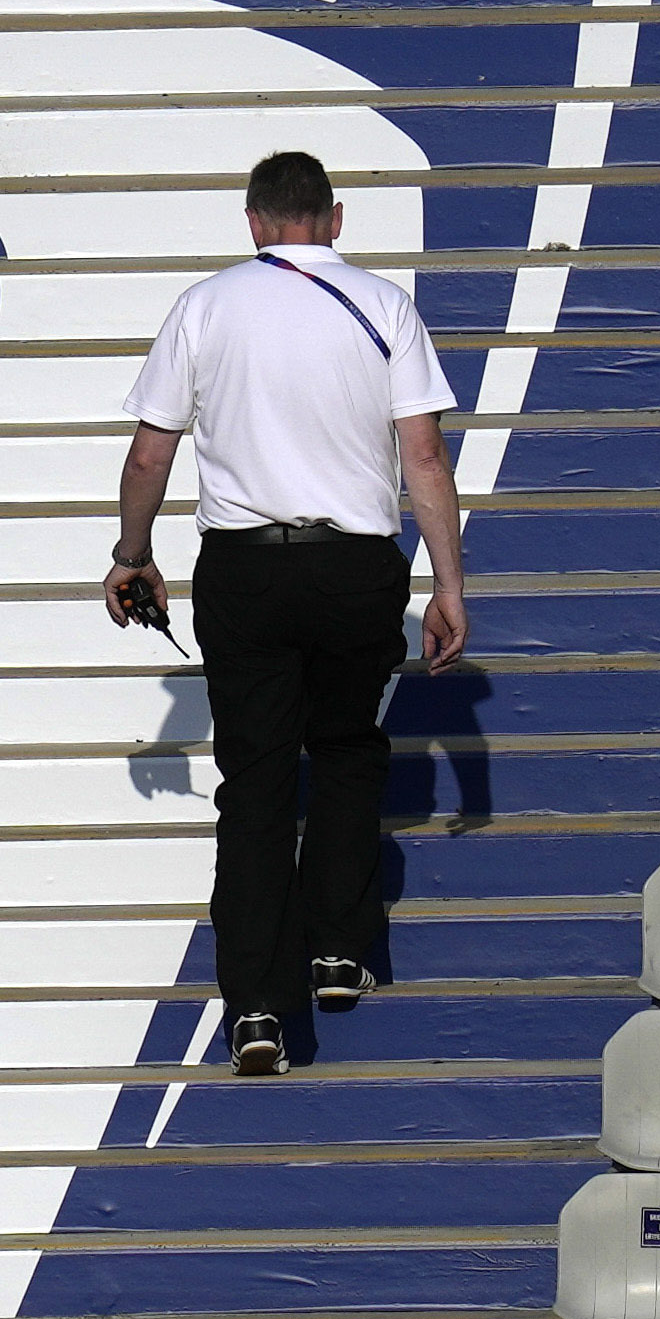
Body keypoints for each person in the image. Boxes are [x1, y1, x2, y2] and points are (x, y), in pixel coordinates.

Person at [102, 148, 469, 1074]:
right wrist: (449, 585)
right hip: (354, 567)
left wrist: (131, 555)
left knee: (255, 789)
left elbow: (150, 455)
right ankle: (341, 951)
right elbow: (423, 457)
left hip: (245, 568)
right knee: (347, 752)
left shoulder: (205, 306)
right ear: (336, 219)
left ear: (255, 221)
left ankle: (257, 1011)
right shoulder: (386, 306)